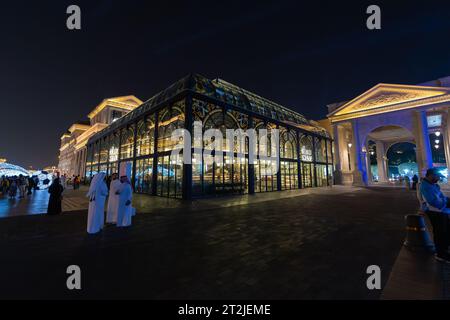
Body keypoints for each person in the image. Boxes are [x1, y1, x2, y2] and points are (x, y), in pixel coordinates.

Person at [419, 168, 450, 263]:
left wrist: (445, 200)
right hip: (435, 212)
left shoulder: (433, 185)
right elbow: (433, 201)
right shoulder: (425, 186)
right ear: (430, 175)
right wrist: (445, 202)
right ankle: (440, 254)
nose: (438, 178)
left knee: (445, 231)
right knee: (440, 233)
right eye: (437, 176)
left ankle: (444, 251)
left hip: (441, 211)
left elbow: (441, 197)